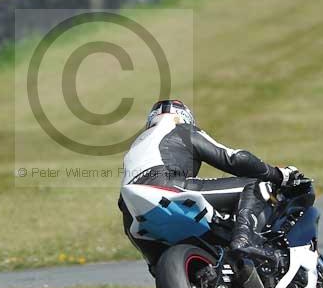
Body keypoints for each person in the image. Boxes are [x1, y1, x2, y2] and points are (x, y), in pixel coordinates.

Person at [120, 99, 309, 263]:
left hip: (131, 215)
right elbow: (234, 159)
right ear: (185, 117)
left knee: (159, 267)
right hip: (168, 186)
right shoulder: (180, 129)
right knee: (256, 185)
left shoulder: (137, 145)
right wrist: (278, 174)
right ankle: (244, 240)